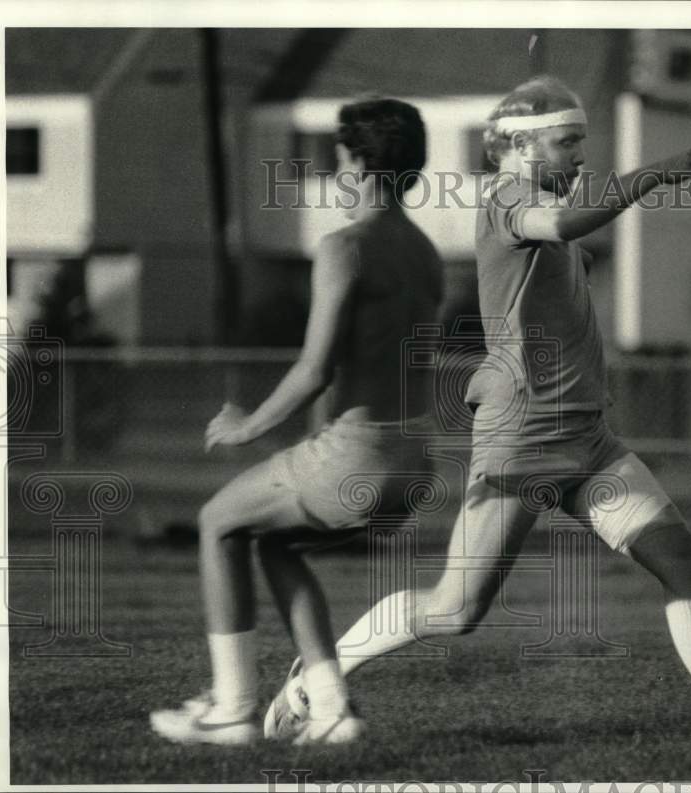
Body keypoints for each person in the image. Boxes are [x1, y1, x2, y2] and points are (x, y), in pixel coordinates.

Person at [267, 75, 691, 747]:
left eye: (581, 143)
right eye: (568, 143)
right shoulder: (509, 197)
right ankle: (312, 679)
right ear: (520, 148)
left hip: (588, 443)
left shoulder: (545, 216)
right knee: (455, 609)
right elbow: (563, 218)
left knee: (684, 558)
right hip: (524, 444)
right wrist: (657, 173)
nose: (579, 156)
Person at [149, 97, 444, 746]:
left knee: (217, 522)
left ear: (364, 167)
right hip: (415, 463)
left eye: (340, 163)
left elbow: (315, 369)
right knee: (274, 541)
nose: (337, 178)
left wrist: (246, 424)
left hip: (357, 456)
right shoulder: (426, 254)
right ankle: (332, 705)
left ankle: (229, 709)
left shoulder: (344, 246)